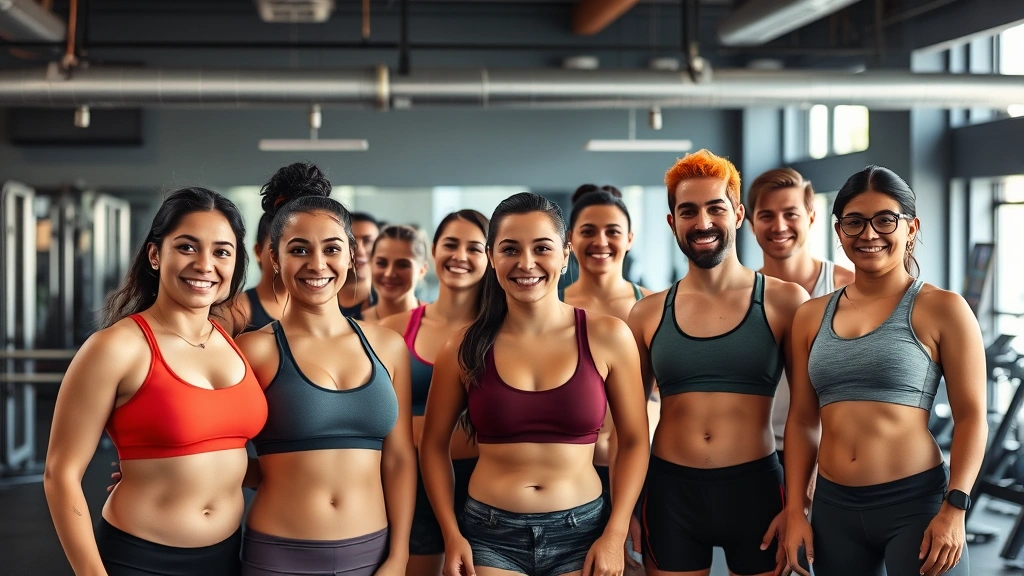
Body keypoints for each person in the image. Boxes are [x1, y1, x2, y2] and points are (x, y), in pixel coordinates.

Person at [420, 192, 650, 576]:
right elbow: (432, 446)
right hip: (490, 535)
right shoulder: (461, 346)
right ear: (492, 257)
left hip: (583, 532)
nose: (526, 263)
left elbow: (634, 441)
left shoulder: (608, 335)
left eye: (541, 248)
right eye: (510, 249)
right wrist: (451, 534)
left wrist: (615, 531)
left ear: (565, 254)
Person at [44, 187, 267, 576]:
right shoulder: (116, 347)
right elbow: (60, 474)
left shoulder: (234, 342)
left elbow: (220, 452)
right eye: (187, 247)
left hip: (229, 556)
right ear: (154, 254)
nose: (204, 264)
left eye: (222, 252)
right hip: (141, 560)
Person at [782, 166, 987, 576]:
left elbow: (972, 417)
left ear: (911, 228)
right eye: (854, 222)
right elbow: (803, 420)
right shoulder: (809, 316)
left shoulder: (943, 308)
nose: (869, 234)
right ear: (839, 232)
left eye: (885, 220)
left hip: (916, 505)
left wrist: (956, 507)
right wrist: (794, 510)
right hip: (833, 508)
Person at [627, 149, 808, 576]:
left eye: (716, 208)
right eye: (688, 211)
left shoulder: (784, 301)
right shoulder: (648, 313)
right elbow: (630, 427)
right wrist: (627, 511)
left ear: (739, 213)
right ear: (672, 221)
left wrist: (798, 507)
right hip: (671, 492)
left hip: (757, 489)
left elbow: (805, 417)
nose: (703, 222)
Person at [236, 162, 416, 576]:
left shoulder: (387, 346)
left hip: (373, 553)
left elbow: (400, 458)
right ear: (273, 259)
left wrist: (399, 554)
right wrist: (159, 468)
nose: (317, 264)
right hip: (278, 554)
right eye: (299, 249)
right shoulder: (252, 351)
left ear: (352, 256)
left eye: (332, 248)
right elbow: (216, 447)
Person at [380, 210, 490, 576]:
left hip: (482, 486)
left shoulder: (502, 332)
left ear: (490, 257)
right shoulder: (392, 329)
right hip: (407, 483)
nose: (460, 255)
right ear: (433, 252)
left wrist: (418, 433)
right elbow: (376, 420)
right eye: (451, 244)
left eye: (474, 248)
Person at [745, 167, 855, 466]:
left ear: (811, 216)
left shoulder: (848, 287)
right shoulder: (740, 295)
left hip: (831, 452)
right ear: (751, 223)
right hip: (757, 452)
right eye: (766, 215)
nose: (779, 226)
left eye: (790, 213)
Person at [362, 224, 429, 324]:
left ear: (422, 270)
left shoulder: (437, 323)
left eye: (402, 265)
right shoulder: (352, 326)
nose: (389, 274)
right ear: (370, 264)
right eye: (381, 263)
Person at [340, 211, 382, 319]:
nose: (359, 250)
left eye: (368, 241)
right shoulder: (318, 299)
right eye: (351, 241)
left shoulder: (390, 302)